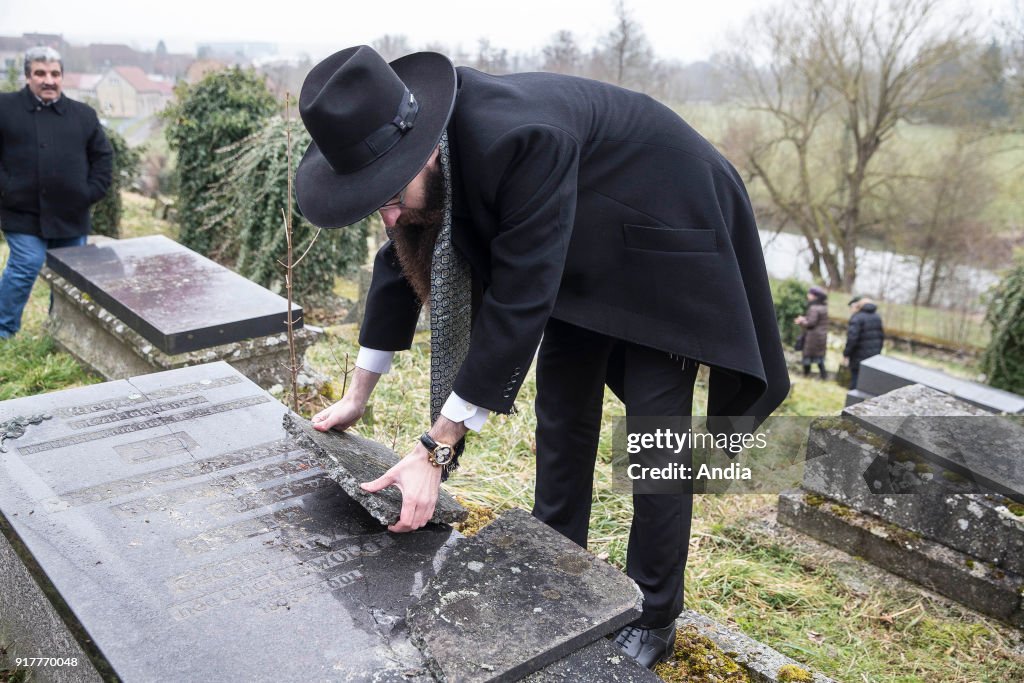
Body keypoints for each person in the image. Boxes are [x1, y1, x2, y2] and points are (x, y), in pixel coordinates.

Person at [295, 46, 789, 669]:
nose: (388, 214)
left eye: (388, 194)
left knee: (654, 441)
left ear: (422, 151)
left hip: (668, 233)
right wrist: (358, 393)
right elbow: (399, 258)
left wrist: (435, 447)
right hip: (581, 240)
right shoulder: (427, 159)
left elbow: (519, 301)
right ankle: (559, 569)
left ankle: (654, 613)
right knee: (562, 416)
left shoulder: (518, 139)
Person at [0, 46, 113, 340]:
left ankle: (59, 331)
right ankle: (3, 330)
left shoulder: (83, 115)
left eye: (54, 73)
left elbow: (103, 157)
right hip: (21, 212)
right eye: (40, 73)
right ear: (28, 77)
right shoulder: (4, 108)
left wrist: (89, 192)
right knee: (26, 264)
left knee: (67, 276)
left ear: (62, 77)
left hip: (71, 214)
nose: (48, 80)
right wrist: (6, 188)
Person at [843, 296, 884, 390]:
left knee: (855, 379)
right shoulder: (877, 317)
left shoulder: (857, 317)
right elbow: (881, 337)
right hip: (873, 356)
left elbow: (852, 338)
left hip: (858, 355)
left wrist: (846, 354)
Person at [794, 286, 829, 379]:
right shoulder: (823, 307)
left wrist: (800, 321)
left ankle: (806, 375)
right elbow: (816, 320)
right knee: (819, 358)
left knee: (807, 356)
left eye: (809, 294)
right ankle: (824, 376)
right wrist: (804, 318)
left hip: (813, 337)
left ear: (815, 296)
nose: (808, 296)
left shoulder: (814, 308)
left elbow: (811, 323)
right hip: (821, 336)